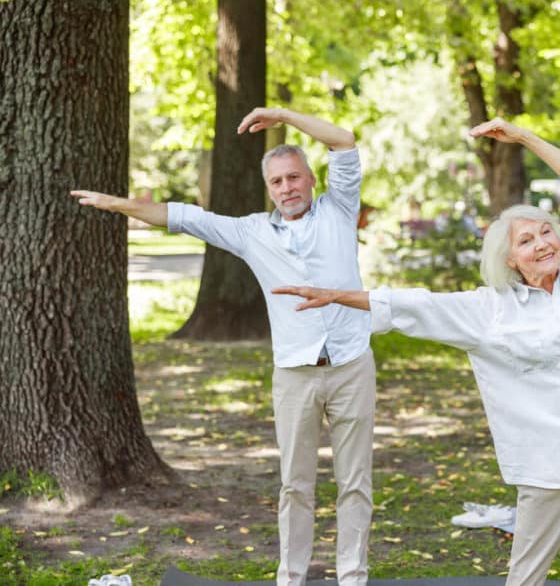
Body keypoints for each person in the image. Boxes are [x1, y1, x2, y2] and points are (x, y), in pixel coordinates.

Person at [274, 117, 560, 586]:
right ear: (509, 260)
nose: (542, 243)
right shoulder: (489, 311)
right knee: (527, 578)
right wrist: (337, 295)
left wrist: (523, 137)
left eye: (546, 232)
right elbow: (413, 305)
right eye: (526, 241)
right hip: (552, 466)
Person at [71, 108, 375, 586]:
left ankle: (352, 577)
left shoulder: (338, 208)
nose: (287, 187)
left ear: (311, 179)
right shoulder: (252, 232)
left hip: (352, 365)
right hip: (295, 374)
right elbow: (182, 217)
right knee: (296, 486)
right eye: (276, 181)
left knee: (355, 483)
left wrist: (283, 116)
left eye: (294, 177)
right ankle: (292, 578)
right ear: (268, 188)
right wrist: (116, 204)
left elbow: (344, 139)